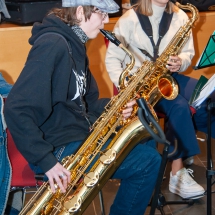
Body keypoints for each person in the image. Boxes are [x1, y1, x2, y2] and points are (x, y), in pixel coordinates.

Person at [4, 0, 162, 214]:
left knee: (147, 138)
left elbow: (86, 102)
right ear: (80, 12)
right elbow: (16, 108)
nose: (106, 21)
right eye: (102, 14)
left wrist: (115, 107)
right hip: (56, 148)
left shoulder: (76, 45)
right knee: (148, 162)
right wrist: (47, 161)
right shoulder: (53, 45)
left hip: (74, 134)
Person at [105, 0, 215, 199]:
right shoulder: (128, 20)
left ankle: (182, 142)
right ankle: (177, 174)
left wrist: (180, 62)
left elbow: (188, 53)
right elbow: (112, 59)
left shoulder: (181, 16)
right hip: (143, 87)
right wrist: (128, 86)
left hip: (169, 77)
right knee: (179, 106)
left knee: (207, 97)